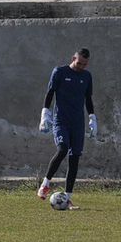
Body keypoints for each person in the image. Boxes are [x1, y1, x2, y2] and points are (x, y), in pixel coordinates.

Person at [36, 48, 96, 206]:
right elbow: (50, 93)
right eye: (79, 63)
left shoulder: (87, 76)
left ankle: (68, 197)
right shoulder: (59, 72)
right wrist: (45, 114)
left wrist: (92, 117)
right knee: (62, 149)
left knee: (74, 158)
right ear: (73, 58)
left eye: (84, 64)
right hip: (61, 120)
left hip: (77, 123)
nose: (81, 66)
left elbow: (88, 98)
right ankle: (45, 184)